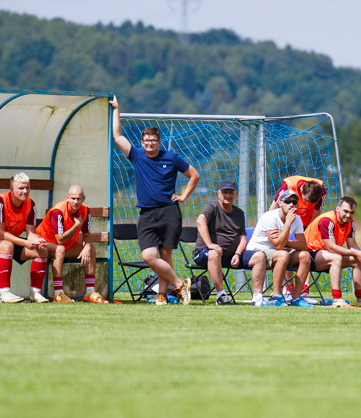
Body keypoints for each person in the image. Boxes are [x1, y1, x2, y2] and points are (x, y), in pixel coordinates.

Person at [110, 96, 200, 306]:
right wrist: (117, 109)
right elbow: (117, 137)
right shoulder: (137, 156)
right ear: (142, 143)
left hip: (169, 211)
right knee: (150, 255)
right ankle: (179, 284)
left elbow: (194, 175)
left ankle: (162, 295)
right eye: (146, 141)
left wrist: (184, 196)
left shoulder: (171, 157)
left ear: (159, 142)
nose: (150, 144)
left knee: (165, 254)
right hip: (147, 213)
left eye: (153, 141)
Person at [0, 172, 50, 303]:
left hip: (10, 240)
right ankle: (5, 293)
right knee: (7, 245)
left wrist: (38, 241)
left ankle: (35, 293)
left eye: (27, 188)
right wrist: (24, 243)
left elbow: (31, 233)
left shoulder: (30, 204)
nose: (25, 191)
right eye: (21, 188)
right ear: (11, 189)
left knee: (42, 249)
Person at [194, 180, 267, 306]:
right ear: (218, 194)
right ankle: (221, 296)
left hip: (230, 256)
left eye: (231, 192)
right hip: (205, 254)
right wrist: (210, 245)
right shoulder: (212, 207)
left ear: (236, 194)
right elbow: (200, 221)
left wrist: (238, 254)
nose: (227, 195)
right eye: (224, 192)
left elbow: (243, 238)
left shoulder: (239, 213)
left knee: (259, 256)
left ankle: (257, 298)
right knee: (213, 254)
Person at [304, 197, 361, 309]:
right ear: (338, 209)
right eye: (346, 211)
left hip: (326, 256)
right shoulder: (327, 220)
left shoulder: (350, 224)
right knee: (336, 257)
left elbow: (352, 245)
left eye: (352, 213)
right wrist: (354, 253)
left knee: (357, 260)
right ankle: (337, 299)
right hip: (308, 255)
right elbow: (331, 247)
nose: (348, 215)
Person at [36, 185, 108, 303]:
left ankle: (90, 292)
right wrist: (76, 226)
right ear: (67, 198)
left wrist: (87, 247)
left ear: (83, 198)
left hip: (64, 246)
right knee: (60, 249)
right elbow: (59, 240)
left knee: (91, 249)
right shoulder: (58, 211)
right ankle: (58, 294)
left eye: (78, 199)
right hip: (45, 245)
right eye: (73, 198)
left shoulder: (85, 210)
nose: (75, 201)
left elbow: (86, 235)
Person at [246, 189, 313, 307]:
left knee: (305, 256)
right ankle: (276, 296)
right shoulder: (269, 217)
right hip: (258, 251)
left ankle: (296, 298)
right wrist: (287, 224)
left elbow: (303, 245)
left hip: (278, 252)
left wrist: (287, 241)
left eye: (294, 202)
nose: (291, 204)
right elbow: (278, 245)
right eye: (287, 201)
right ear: (280, 203)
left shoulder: (296, 219)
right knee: (283, 254)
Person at [269, 175, 326, 302]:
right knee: (286, 250)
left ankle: (304, 291)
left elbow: (316, 216)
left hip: (305, 224)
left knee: (307, 253)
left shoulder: (321, 190)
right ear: (300, 193)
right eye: (306, 201)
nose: (308, 205)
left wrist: (305, 234)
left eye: (312, 203)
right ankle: (290, 289)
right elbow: (273, 210)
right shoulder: (288, 186)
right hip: (285, 222)